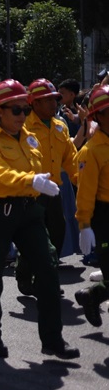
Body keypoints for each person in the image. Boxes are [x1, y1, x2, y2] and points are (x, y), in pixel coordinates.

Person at [0, 79, 79, 361]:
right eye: (16, 110)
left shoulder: (29, 138)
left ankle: (53, 339)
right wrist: (31, 180)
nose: (22, 115)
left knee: (47, 268)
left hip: (29, 210)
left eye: (24, 109)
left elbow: (66, 161)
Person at [16, 79, 79, 294]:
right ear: (34, 103)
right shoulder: (22, 126)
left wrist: (80, 180)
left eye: (55, 99)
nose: (54, 104)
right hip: (31, 193)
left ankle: (45, 276)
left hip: (54, 191)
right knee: (33, 238)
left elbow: (71, 158)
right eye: (48, 100)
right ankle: (27, 275)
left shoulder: (60, 126)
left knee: (57, 234)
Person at [74, 85, 109, 327]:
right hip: (104, 216)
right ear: (98, 116)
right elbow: (85, 192)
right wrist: (84, 224)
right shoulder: (92, 151)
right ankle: (93, 295)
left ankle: (93, 295)